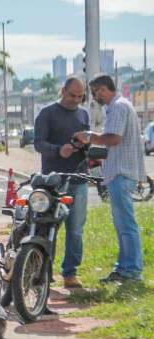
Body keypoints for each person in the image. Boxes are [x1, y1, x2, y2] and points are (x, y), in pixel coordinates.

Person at [73, 74, 146, 284]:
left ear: (103, 89)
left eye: (96, 93)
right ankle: (124, 268)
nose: (95, 98)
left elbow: (114, 138)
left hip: (121, 173)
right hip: (121, 171)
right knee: (122, 224)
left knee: (126, 224)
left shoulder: (118, 107)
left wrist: (89, 135)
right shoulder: (122, 105)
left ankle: (131, 270)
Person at [34, 77, 90, 290]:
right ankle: (43, 271)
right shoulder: (47, 113)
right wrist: (59, 150)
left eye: (80, 96)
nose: (76, 100)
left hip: (79, 179)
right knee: (48, 227)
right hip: (53, 181)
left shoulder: (83, 114)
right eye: (72, 95)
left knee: (76, 229)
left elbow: (87, 142)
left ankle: (70, 273)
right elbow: (39, 144)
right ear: (62, 90)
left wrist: (88, 148)